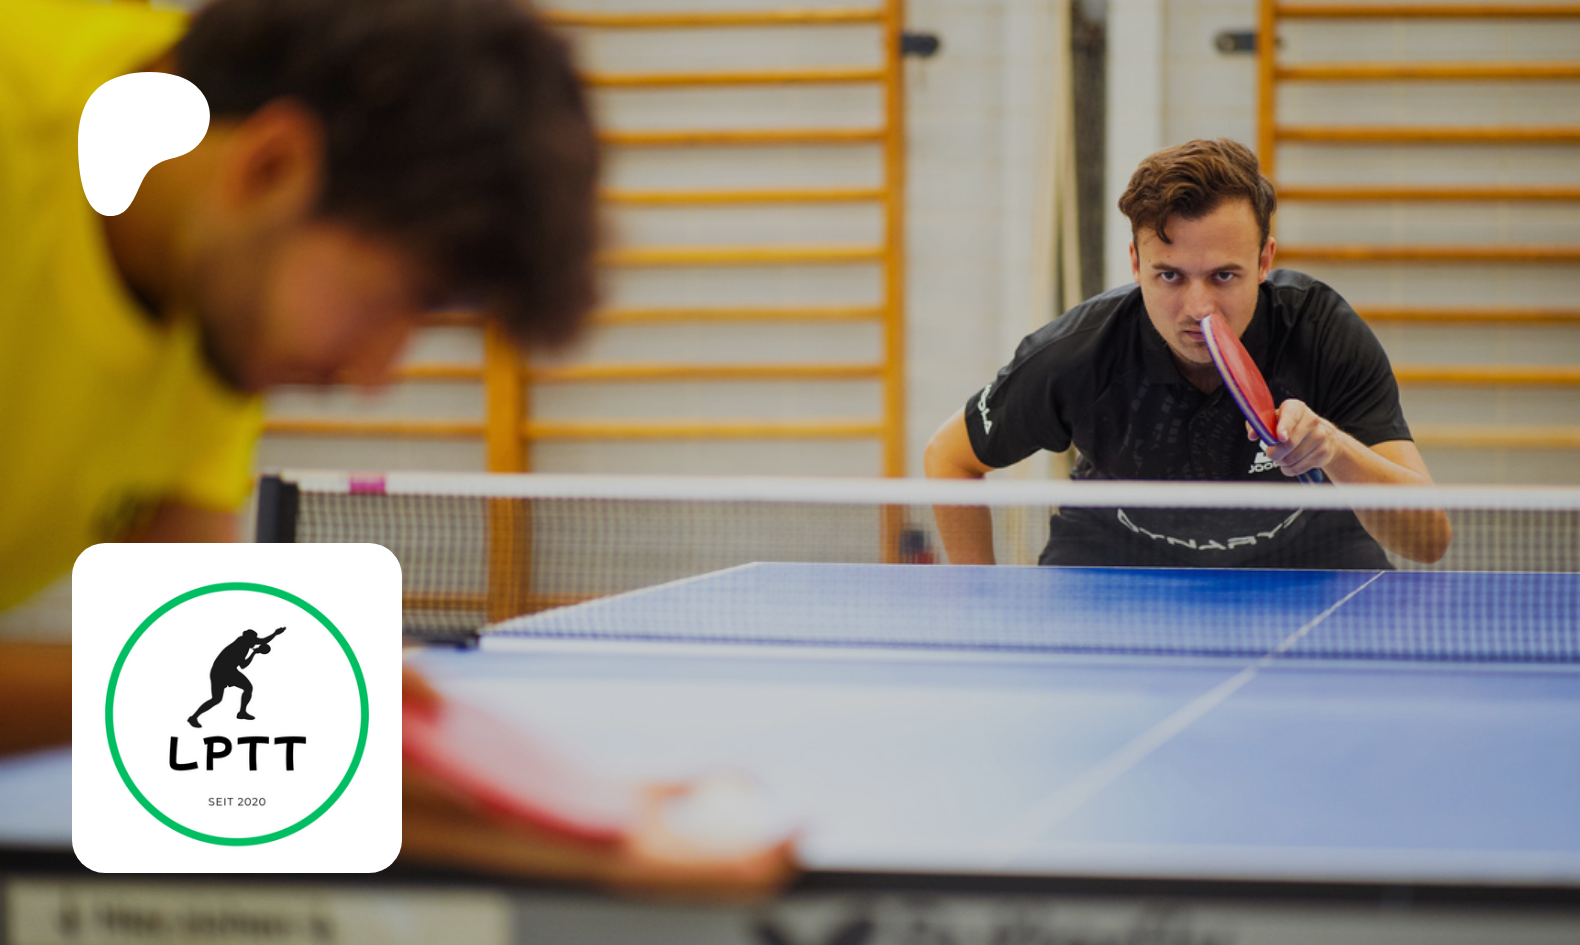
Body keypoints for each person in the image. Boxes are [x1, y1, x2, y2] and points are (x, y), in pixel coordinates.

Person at [0, 0, 788, 895]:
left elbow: (206, 741)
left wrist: (589, 833)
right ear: (271, 165)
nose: (378, 373)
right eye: (395, 300)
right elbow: (159, 689)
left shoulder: (215, 282)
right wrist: (304, 694)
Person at [924, 138, 1451, 568]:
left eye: (1224, 275)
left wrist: (1335, 449)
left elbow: (1429, 542)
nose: (1199, 308)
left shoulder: (1321, 336)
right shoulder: (1079, 354)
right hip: (1113, 559)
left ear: (1264, 260)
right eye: (1170, 276)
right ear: (1136, 264)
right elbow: (949, 458)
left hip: (1309, 555)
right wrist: (980, 605)